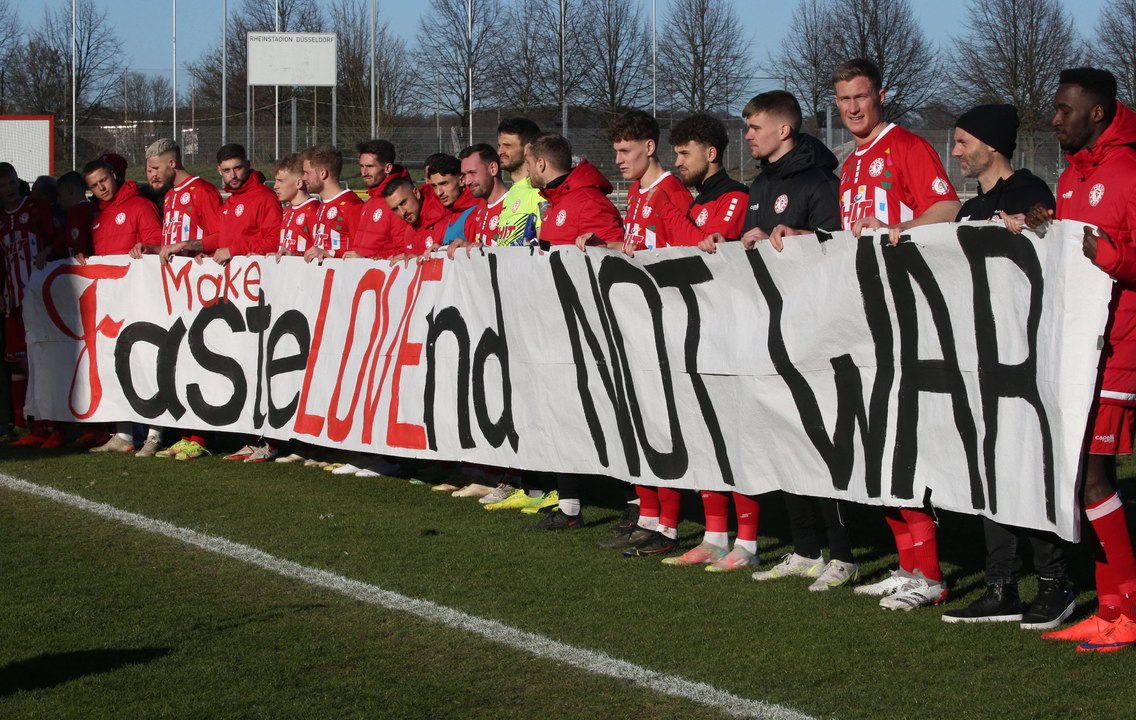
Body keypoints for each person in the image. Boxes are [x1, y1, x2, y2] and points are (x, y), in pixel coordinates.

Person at [938, 104, 1074, 629]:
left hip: (1023, 361)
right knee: (988, 471)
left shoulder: (1031, 193)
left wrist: (1035, 228)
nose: (956, 151)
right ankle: (1000, 586)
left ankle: (1054, 580)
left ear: (991, 145)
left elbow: (1051, 244)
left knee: (1026, 469)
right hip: (977, 360)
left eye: (963, 141)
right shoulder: (975, 205)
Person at [834, 58, 960, 610]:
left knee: (903, 442)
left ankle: (929, 574)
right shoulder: (848, 164)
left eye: (861, 97)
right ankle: (907, 565)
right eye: (843, 101)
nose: (853, 108)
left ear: (880, 95)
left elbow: (947, 206)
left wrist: (896, 232)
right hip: (865, 318)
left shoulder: (906, 146)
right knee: (875, 444)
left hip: (908, 317)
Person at [1024, 68, 1136, 653]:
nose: (1054, 118)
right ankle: (1110, 606)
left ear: (1098, 113)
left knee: (1091, 477)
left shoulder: (1130, 169)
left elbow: (1119, 256)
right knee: (1083, 479)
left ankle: (1130, 607)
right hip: (1079, 347)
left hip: (1122, 348)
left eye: (1065, 109)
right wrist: (1051, 231)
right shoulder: (1071, 175)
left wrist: (1107, 255)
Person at [522, 132, 624, 530]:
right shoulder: (559, 202)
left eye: (529, 164)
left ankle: (634, 502)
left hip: (590, 332)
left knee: (604, 415)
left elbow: (616, 257)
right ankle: (569, 506)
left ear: (542, 164)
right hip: (556, 329)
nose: (527, 171)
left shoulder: (587, 201)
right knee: (560, 414)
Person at [79, 159, 163, 454]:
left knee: (147, 364)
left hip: (142, 299)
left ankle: (154, 434)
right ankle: (124, 434)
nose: (101, 188)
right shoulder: (97, 219)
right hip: (114, 304)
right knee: (117, 364)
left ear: (113, 176)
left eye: (103, 180)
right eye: (94, 185)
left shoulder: (140, 206)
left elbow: (157, 242)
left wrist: (146, 248)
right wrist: (85, 261)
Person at [0, 163, 59, 447]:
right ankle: (26, 423)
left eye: (11, 183)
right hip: (13, 301)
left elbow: (57, 238)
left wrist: (48, 250)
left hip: (38, 298)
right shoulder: (1, 219)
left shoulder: (35, 208)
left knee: (40, 360)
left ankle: (47, 423)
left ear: (17, 182)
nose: (8, 189)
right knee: (19, 363)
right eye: (3, 186)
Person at [145, 138, 223, 253]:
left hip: (197, 269)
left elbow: (222, 237)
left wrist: (187, 245)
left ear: (172, 163)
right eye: (149, 171)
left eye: (156, 169)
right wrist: (150, 249)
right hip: (173, 270)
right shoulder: (169, 195)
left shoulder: (202, 191)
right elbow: (170, 246)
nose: (153, 175)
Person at [348, 139, 413, 259]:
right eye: (361, 166)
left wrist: (367, 260)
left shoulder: (398, 201)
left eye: (370, 166)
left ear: (387, 168)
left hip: (382, 275)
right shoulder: (369, 202)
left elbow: (404, 251)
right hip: (362, 274)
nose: (364, 172)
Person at [302, 144, 363, 263]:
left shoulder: (351, 205)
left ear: (323, 173)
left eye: (307, 173)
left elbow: (362, 252)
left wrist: (331, 253)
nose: (303, 178)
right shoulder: (322, 206)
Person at [494, 117, 543, 248]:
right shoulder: (512, 192)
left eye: (507, 146)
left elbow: (545, 248)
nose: (500, 152)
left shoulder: (539, 191)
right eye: (499, 146)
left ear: (527, 149)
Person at [273, 153, 319, 258]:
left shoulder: (314, 210)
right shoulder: (287, 210)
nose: (275, 186)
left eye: (280, 181)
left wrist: (296, 256)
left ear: (298, 183)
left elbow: (320, 251)